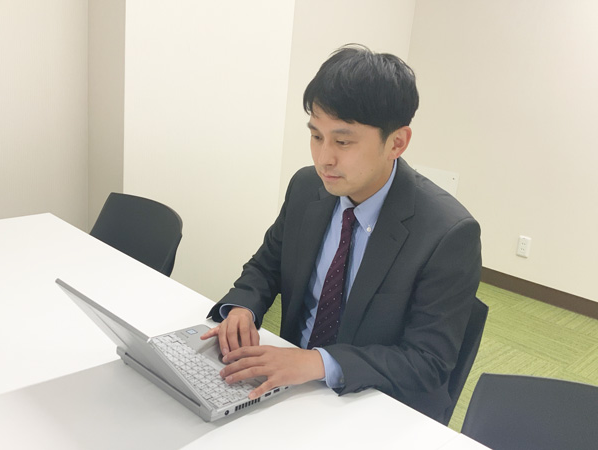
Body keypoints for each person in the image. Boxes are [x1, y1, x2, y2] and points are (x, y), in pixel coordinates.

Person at [201, 44, 481, 422]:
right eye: (316, 136)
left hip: (372, 406)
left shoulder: (448, 233)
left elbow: (427, 361)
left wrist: (319, 362)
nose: (324, 159)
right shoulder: (307, 188)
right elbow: (267, 266)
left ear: (396, 142)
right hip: (291, 389)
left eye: (343, 141)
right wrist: (242, 308)